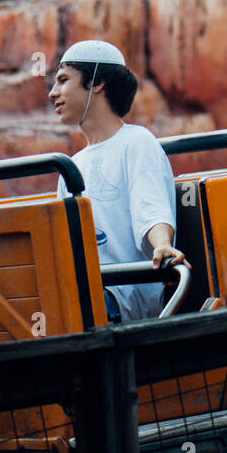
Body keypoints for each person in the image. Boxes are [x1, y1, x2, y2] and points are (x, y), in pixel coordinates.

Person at [49, 40, 184, 322]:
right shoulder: (72, 165)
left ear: (97, 82)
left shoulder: (136, 142)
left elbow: (152, 210)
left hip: (123, 297)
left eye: (63, 81)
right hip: (83, 291)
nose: (53, 93)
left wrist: (162, 244)